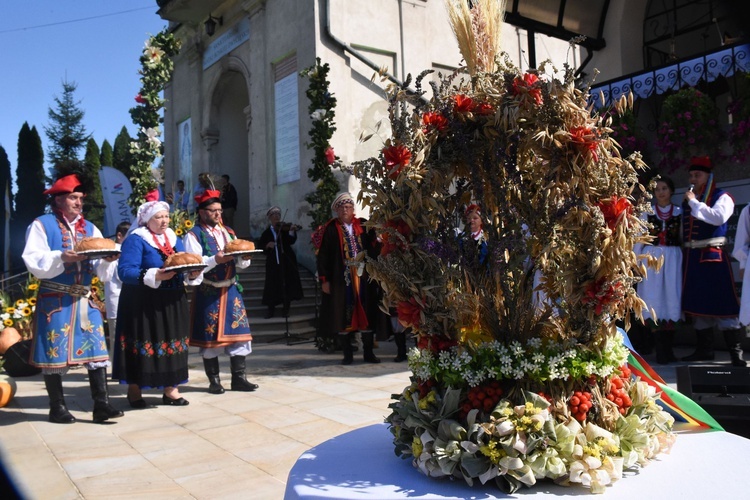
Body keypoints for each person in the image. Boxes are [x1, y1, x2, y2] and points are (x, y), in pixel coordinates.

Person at [22, 169, 123, 424]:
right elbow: (33, 260)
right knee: (54, 353)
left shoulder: (90, 228)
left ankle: (102, 404)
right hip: (55, 300)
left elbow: (100, 268)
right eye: (73, 197)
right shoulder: (41, 224)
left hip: (86, 299)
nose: (78, 202)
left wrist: (109, 259)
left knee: (97, 353)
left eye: (81, 198)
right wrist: (61, 256)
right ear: (57, 199)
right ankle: (57, 408)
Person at [113, 192, 202, 407]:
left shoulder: (173, 237)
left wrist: (192, 272)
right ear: (146, 219)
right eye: (158, 217)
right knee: (143, 342)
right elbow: (125, 271)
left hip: (172, 300)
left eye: (166, 216)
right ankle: (135, 390)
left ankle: (171, 389)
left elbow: (183, 261)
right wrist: (154, 275)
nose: (164, 221)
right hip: (143, 302)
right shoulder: (135, 239)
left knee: (174, 342)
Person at [184, 189, 259, 394]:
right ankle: (214, 381)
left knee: (240, 335)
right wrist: (215, 259)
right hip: (209, 291)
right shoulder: (193, 235)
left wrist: (245, 258)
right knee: (210, 340)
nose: (218, 214)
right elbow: (194, 265)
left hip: (231, 289)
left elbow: (241, 265)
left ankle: (239, 379)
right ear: (201, 212)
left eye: (219, 210)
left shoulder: (229, 232)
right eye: (213, 211)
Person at [681, 156, 746, 367]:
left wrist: (693, 202)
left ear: (708, 176)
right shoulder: (692, 200)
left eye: (697, 175)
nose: (693, 178)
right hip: (694, 259)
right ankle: (704, 350)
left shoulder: (722, 196)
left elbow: (718, 218)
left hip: (713, 257)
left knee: (723, 303)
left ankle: (736, 353)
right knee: (699, 304)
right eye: (691, 175)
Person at [317, 192, 381, 365]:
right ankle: (348, 354)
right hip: (341, 277)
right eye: (342, 207)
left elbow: (374, 246)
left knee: (366, 310)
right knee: (343, 313)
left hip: (363, 276)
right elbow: (322, 256)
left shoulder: (363, 225)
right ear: (337, 210)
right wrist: (324, 280)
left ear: (353, 208)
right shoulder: (330, 228)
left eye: (348, 207)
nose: (345, 210)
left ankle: (368, 353)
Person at [635, 176, 682, 364]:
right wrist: (636, 263)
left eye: (664, 188)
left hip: (672, 258)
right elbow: (639, 238)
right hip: (651, 258)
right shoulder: (647, 212)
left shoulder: (680, 212)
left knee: (672, 296)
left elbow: (683, 236)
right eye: (657, 189)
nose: (661, 192)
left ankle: (668, 349)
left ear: (671, 190)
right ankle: (660, 350)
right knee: (653, 299)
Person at [258, 207, 303, 318]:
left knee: (287, 282)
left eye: (278, 214)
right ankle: (271, 310)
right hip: (273, 262)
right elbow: (260, 247)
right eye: (274, 215)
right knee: (272, 284)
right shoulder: (266, 233)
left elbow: (291, 241)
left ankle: (286, 309)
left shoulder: (284, 230)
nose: (277, 217)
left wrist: (291, 230)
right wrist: (267, 245)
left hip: (286, 260)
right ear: (270, 218)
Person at [99, 221, 131, 354]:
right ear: (119, 235)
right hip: (117, 302)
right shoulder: (114, 252)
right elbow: (122, 276)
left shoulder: (124, 251)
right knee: (117, 339)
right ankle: (118, 372)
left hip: (127, 301)